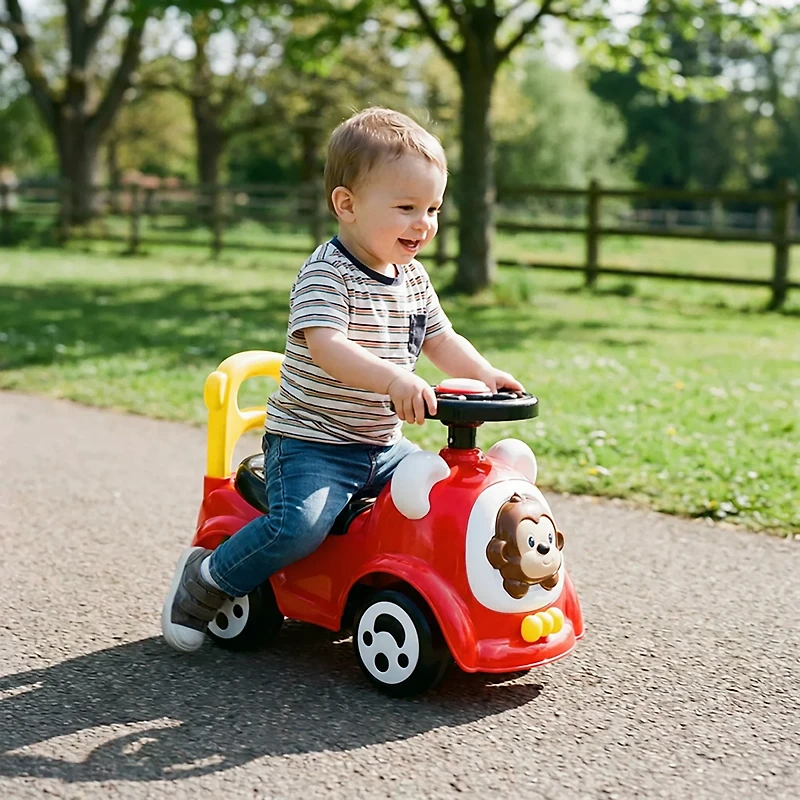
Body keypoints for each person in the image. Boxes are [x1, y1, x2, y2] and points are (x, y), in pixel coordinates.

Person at [161, 107, 523, 652]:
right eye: (406, 208)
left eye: (432, 209)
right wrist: (394, 381)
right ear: (347, 205)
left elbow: (441, 339)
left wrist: (485, 373)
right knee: (299, 526)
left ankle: (427, 593)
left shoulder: (414, 278)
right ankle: (209, 579)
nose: (423, 223)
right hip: (312, 442)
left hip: (382, 444)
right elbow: (329, 348)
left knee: (444, 495)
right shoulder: (326, 272)